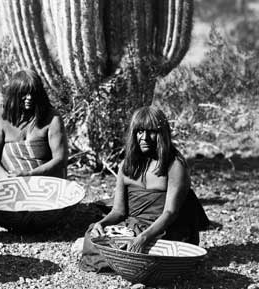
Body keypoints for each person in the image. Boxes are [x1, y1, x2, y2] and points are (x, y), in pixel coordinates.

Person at [80, 106, 210, 271]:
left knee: (148, 250)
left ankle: (127, 261)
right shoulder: (126, 166)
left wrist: (143, 238)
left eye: (151, 132)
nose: (145, 137)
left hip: (163, 230)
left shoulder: (174, 165)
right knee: (92, 233)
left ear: (162, 134)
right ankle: (129, 261)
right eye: (139, 131)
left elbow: (170, 213)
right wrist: (101, 223)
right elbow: (118, 211)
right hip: (133, 227)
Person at [0, 69, 69, 178]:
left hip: (47, 184)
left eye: (33, 93)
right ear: (14, 94)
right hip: (12, 184)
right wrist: (8, 180)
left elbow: (60, 159)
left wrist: (30, 175)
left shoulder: (52, 118)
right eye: (24, 93)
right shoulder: (0, 118)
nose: (29, 98)